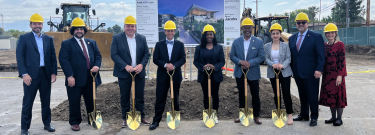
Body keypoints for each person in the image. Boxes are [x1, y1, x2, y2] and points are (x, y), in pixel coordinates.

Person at [16, 13, 57, 135]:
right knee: (28, 102)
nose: (37, 26)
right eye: (35, 23)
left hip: (45, 74)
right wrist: (24, 74)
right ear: (30, 25)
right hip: (30, 75)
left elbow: (53, 57)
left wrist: (53, 73)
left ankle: (47, 124)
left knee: (46, 101)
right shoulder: (24, 38)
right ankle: (25, 128)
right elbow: (20, 57)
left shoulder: (48, 39)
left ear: (42, 25)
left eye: (39, 23)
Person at [59, 17, 102, 131]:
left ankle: (91, 119)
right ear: (72, 30)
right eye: (77, 29)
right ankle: (75, 122)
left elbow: (98, 56)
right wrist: (69, 75)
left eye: (81, 29)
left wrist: (97, 65)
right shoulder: (66, 44)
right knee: (74, 101)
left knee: (91, 100)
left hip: (91, 77)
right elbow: (64, 60)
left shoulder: (91, 42)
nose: (79, 31)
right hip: (75, 78)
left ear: (85, 30)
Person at [110, 15, 151, 128]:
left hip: (138, 72)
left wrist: (141, 65)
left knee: (140, 96)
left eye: (132, 26)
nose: (130, 28)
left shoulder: (142, 38)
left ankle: (141, 116)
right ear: (124, 27)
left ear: (135, 27)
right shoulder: (117, 38)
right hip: (124, 73)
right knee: (125, 96)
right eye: (128, 26)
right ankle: (125, 118)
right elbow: (114, 54)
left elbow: (146, 54)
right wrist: (125, 66)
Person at [289, 12, 325, 126]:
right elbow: (292, 56)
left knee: (312, 95)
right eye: (298, 22)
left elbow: (321, 55)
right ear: (296, 23)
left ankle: (313, 116)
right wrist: (291, 70)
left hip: (312, 73)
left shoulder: (316, 37)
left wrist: (319, 69)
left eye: (303, 22)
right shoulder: (292, 38)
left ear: (307, 24)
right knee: (302, 95)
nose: (301, 24)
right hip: (298, 72)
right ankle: (304, 114)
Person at [149, 20, 186, 130]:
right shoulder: (159, 44)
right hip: (162, 76)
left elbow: (183, 59)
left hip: (175, 76)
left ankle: (175, 118)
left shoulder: (180, 45)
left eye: (172, 31)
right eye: (168, 30)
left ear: (174, 32)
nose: (170, 32)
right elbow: (155, 59)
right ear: (164, 31)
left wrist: (173, 66)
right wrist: (165, 65)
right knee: (160, 98)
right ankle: (156, 121)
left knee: (175, 98)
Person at [230, 18, 265, 124]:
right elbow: (232, 56)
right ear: (242, 28)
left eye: (249, 28)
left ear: (252, 28)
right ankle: (242, 115)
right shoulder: (236, 41)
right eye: (245, 28)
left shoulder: (259, 41)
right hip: (240, 72)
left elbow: (261, 57)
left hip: (253, 73)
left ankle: (256, 116)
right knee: (241, 94)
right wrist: (240, 62)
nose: (247, 30)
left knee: (255, 95)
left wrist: (249, 63)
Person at [193, 24, 225, 124]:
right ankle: (207, 114)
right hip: (204, 75)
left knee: (215, 95)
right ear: (204, 36)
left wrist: (214, 66)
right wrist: (202, 66)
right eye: (207, 35)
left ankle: (215, 115)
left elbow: (222, 61)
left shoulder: (219, 47)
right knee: (206, 95)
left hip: (215, 75)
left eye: (211, 34)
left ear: (213, 35)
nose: (209, 36)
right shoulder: (199, 48)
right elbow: (196, 61)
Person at [264, 23, 294, 125]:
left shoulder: (285, 45)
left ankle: (289, 114)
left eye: (277, 33)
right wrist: (273, 64)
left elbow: (289, 58)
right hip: (273, 72)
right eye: (273, 34)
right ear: (271, 35)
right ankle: (278, 113)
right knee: (276, 94)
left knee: (286, 93)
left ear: (280, 34)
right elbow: (266, 58)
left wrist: (282, 65)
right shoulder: (267, 46)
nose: (275, 35)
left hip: (284, 72)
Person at [319, 23, 347, 126]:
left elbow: (342, 61)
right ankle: (333, 117)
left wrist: (340, 75)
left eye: (332, 32)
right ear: (325, 34)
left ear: (335, 33)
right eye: (328, 33)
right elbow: (322, 60)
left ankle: (339, 118)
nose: (330, 34)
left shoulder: (340, 45)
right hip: (327, 76)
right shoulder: (325, 46)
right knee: (330, 97)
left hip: (337, 76)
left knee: (338, 97)